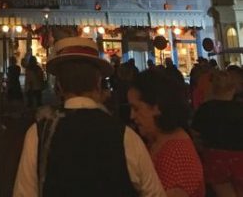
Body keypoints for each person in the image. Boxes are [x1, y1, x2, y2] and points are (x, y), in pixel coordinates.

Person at [12, 36, 166, 197]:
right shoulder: (125, 136)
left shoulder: (38, 134)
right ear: (98, 83)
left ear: (59, 86)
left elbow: (24, 193)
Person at [128, 69, 205, 197]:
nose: (132, 115)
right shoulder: (163, 141)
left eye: (136, 108)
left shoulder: (175, 155)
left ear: (156, 107)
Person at [192, 69, 243, 196]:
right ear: (233, 89)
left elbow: (195, 135)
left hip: (213, 160)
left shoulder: (204, 109)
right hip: (239, 159)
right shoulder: (239, 109)